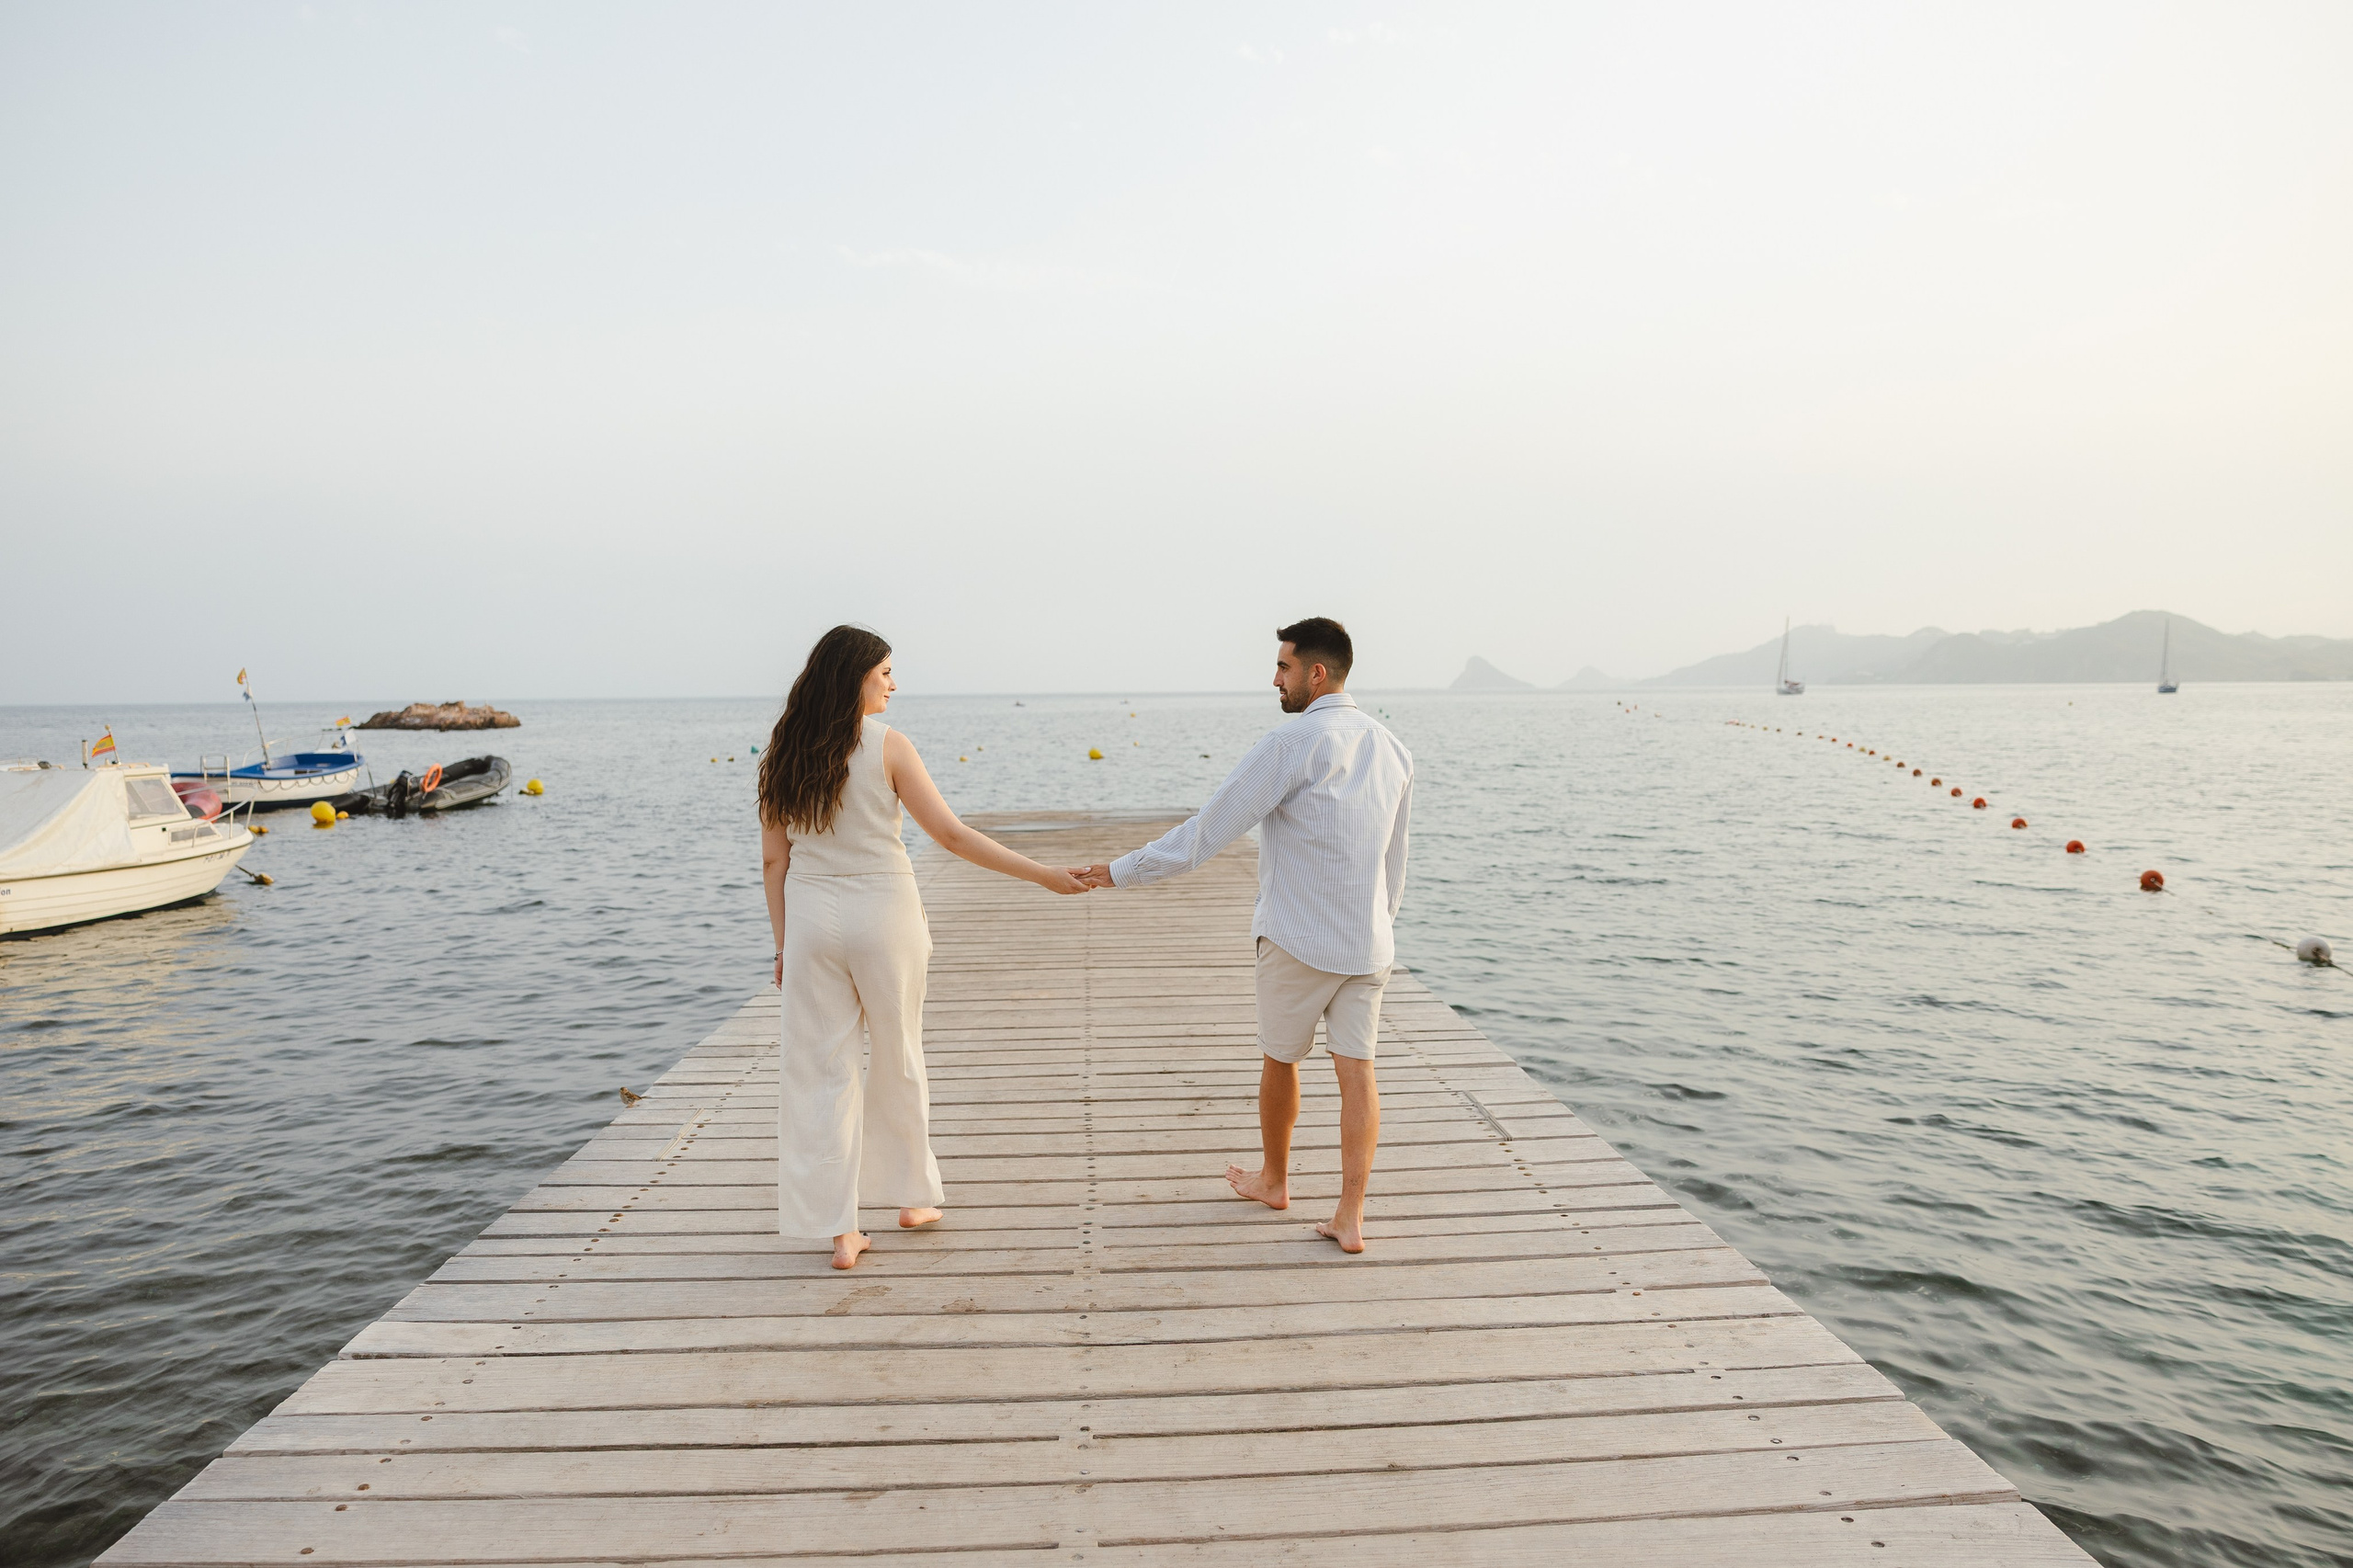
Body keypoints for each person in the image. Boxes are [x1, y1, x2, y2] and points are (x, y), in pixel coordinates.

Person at [1076, 618, 1412, 1252]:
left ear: (1316, 673)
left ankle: (1276, 1180)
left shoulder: (1289, 744)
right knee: (1358, 1072)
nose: (1275, 678)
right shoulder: (1392, 748)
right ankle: (1350, 1215)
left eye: (1284, 666)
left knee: (1281, 1058)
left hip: (1297, 939)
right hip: (1369, 943)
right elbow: (1396, 861)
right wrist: (1380, 926)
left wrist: (1118, 872)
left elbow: (1208, 832)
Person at [760, 625, 1090, 1269]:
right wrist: (1044, 875)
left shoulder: (783, 750)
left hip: (810, 918)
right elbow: (953, 836)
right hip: (884, 912)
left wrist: (782, 945)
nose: (892, 683)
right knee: (899, 1053)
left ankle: (840, 1231)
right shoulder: (887, 746)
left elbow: (775, 861)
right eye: (884, 671)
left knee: (820, 1071)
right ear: (855, 676)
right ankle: (912, 1199)